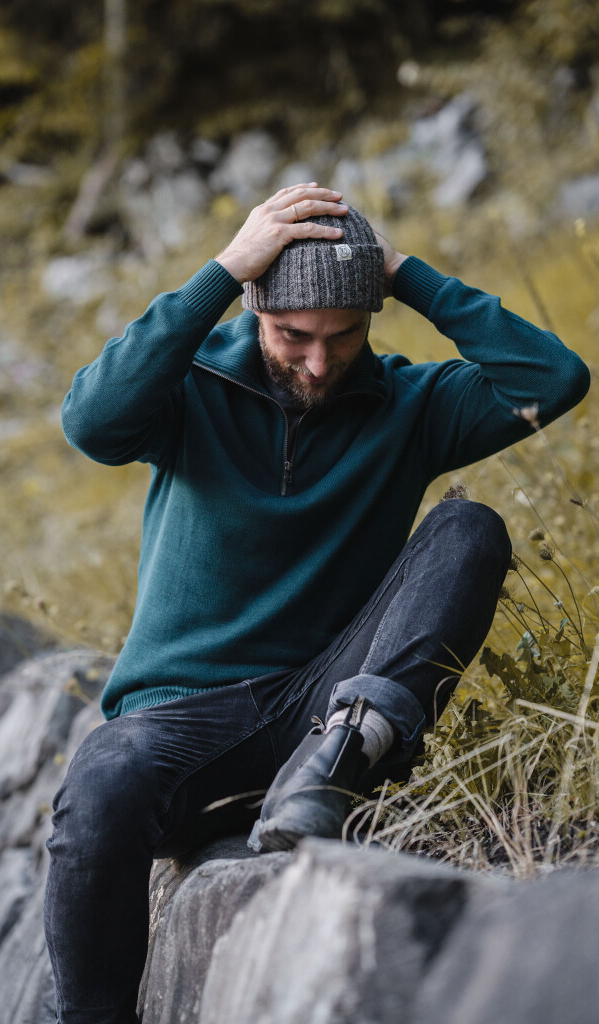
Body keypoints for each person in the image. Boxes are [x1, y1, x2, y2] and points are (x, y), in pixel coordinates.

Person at [44, 182, 591, 1022]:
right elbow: (91, 422)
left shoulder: (411, 406)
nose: (316, 362)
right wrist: (225, 269)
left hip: (327, 718)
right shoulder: (188, 390)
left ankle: (336, 768)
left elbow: (552, 378)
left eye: (342, 336)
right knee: (101, 780)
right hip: (184, 724)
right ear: (256, 309)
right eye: (292, 335)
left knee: (467, 528)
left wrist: (399, 271)